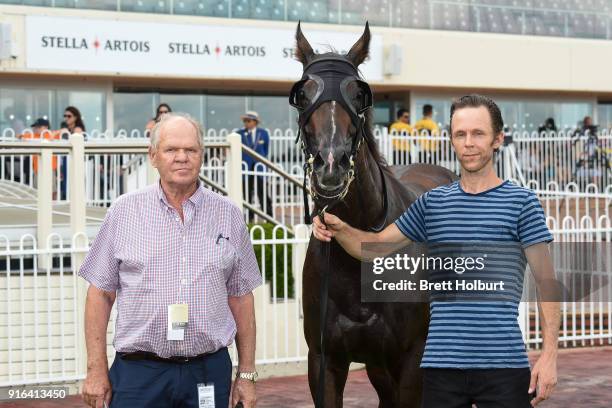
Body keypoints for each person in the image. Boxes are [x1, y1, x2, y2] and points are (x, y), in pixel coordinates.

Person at [313, 94, 559, 408]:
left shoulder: (522, 203)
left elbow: (546, 282)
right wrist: (337, 228)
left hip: (503, 367)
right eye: (460, 134)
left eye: (478, 133)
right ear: (451, 139)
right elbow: (374, 249)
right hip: (441, 372)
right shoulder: (433, 203)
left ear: (498, 139)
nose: (468, 143)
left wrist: (549, 355)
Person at [79, 113, 261, 408]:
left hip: (208, 372)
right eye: (171, 150)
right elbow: (99, 294)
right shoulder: (124, 212)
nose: (182, 158)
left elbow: (241, 297)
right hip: (139, 374)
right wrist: (95, 369)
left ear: (202, 156)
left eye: (190, 150)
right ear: (153, 156)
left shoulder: (228, 215)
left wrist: (247, 374)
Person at [237, 110, 273, 221]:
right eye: (245, 121)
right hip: (245, 168)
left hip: (259, 168)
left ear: (255, 122)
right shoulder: (239, 133)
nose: (246, 123)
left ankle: (269, 217)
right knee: (247, 194)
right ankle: (249, 218)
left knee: (262, 192)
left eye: (248, 120)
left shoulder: (263, 133)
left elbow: (265, 150)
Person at [59, 106, 86, 200]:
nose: (66, 118)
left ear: (75, 117)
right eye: (65, 116)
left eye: (69, 116)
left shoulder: (77, 129)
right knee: (66, 183)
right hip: (67, 159)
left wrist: (65, 133)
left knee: (72, 183)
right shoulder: (67, 129)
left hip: (75, 161)